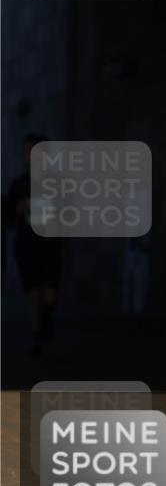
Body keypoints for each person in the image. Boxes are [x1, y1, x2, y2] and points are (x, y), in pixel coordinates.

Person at [6, 133, 62, 355]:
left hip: (49, 246)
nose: (26, 154)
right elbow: (9, 218)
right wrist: (15, 209)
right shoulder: (18, 184)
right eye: (24, 150)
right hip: (26, 245)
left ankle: (45, 318)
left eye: (30, 149)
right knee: (32, 292)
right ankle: (36, 336)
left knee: (48, 296)